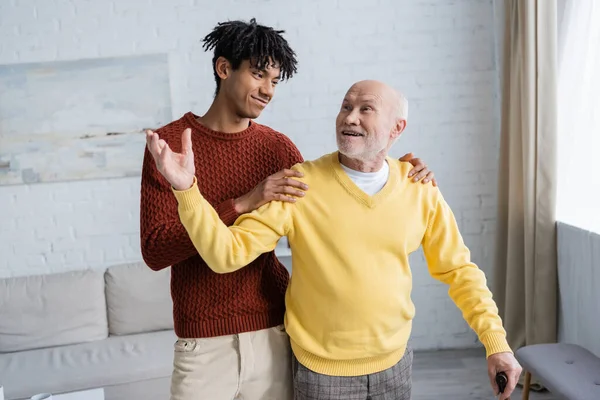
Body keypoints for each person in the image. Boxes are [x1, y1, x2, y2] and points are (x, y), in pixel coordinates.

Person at [145, 79, 523, 400]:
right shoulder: (300, 184)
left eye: (365, 109)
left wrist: (496, 343)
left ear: (397, 128)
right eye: (346, 106)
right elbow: (224, 255)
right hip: (321, 375)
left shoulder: (418, 188)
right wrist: (188, 191)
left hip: (395, 365)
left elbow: (459, 271)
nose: (350, 117)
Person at [140, 19, 436, 400]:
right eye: (259, 74)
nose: (267, 91)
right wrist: (243, 203)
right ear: (224, 68)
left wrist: (397, 168)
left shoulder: (277, 148)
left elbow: (331, 196)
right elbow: (155, 250)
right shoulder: (169, 145)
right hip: (202, 340)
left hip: (274, 329)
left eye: (275, 81)